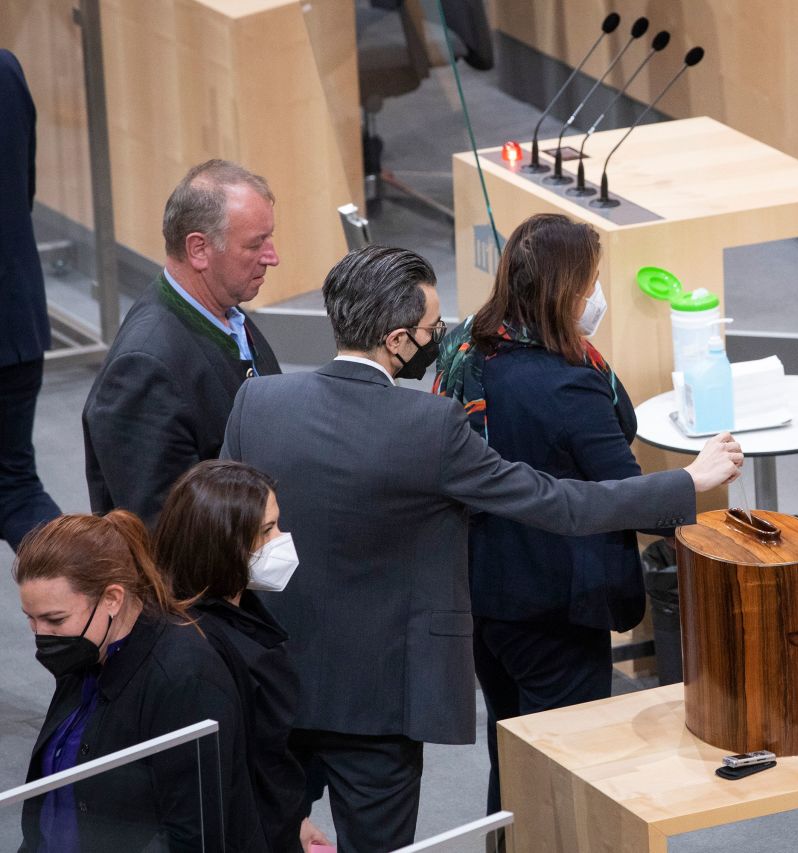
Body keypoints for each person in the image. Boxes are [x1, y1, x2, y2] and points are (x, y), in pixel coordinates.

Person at [220, 244, 742, 852]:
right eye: (429, 329)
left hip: (275, 675)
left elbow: (222, 529)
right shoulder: (429, 428)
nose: (440, 337)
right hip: (384, 697)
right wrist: (688, 482)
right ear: (395, 340)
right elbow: (558, 503)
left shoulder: (258, 402)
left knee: (264, 837)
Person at [435, 213, 667, 813]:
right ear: (566, 291)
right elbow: (628, 493)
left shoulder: (468, 347)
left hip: (483, 591)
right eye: (591, 283)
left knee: (512, 760)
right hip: (554, 605)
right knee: (557, 780)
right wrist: (699, 486)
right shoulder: (567, 384)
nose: (597, 297)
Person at [14, 511, 265, 851]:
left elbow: (194, 835)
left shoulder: (184, 681)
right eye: (31, 619)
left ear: (112, 599)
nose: (41, 635)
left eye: (54, 619)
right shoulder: (87, 647)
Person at [82, 159, 282, 524]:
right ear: (199, 250)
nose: (273, 258)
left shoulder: (228, 313)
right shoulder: (144, 368)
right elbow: (164, 532)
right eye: (256, 244)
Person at [152, 459, 330, 853]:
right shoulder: (202, 652)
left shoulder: (236, 607)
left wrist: (295, 820)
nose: (282, 539)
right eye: (267, 530)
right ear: (221, 541)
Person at [0, 49, 61, 550]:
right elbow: (24, 189)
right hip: (14, 323)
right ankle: (91, 611)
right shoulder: (5, 68)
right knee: (17, 487)